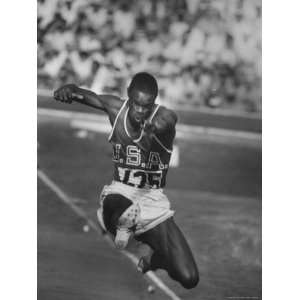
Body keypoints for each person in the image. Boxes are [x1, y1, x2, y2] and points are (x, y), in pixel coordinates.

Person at [53, 72, 199, 289]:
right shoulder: (116, 109)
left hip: (152, 201)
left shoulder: (164, 117)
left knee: (189, 278)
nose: (141, 110)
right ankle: (125, 225)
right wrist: (70, 89)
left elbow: (167, 122)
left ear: (155, 101)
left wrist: (153, 130)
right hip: (121, 193)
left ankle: (154, 259)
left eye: (147, 106)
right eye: (136, 104)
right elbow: (87, 95)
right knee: (116, 203)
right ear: (128, 96)